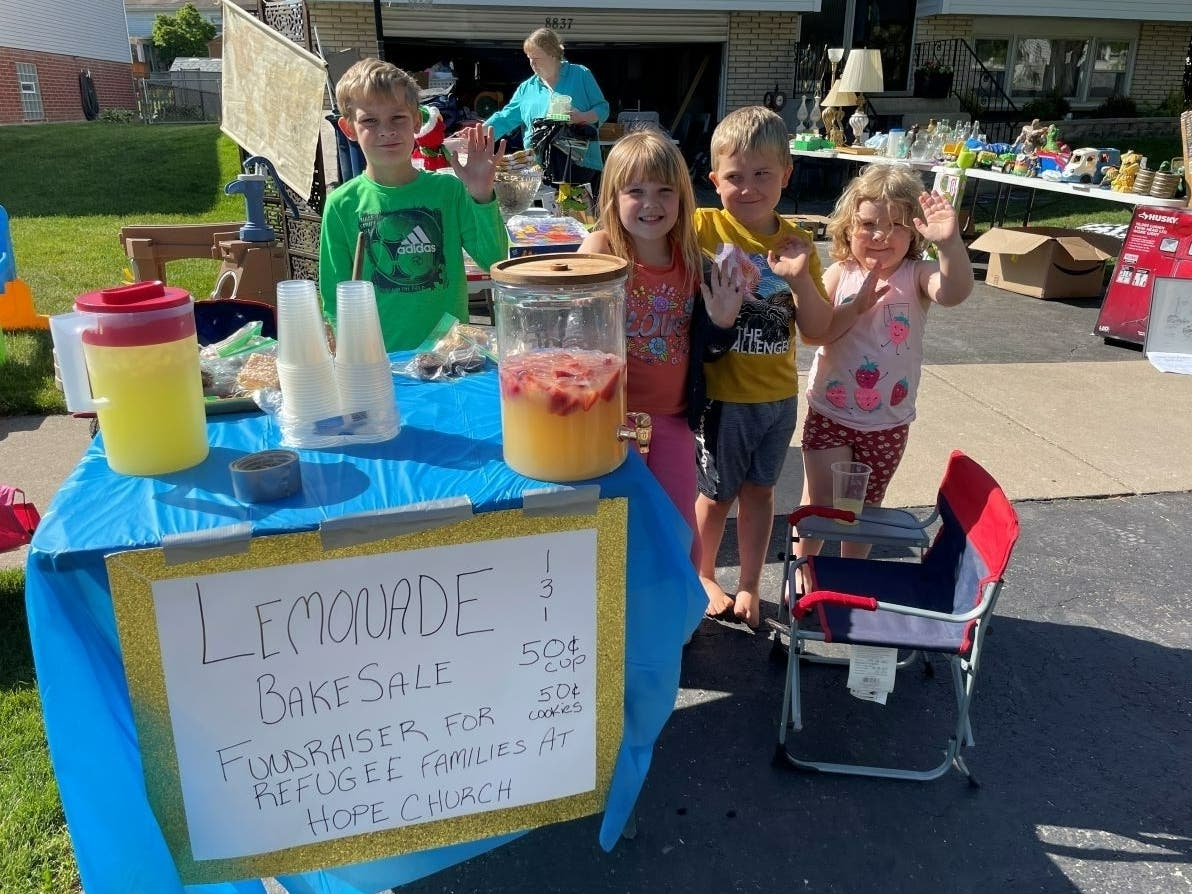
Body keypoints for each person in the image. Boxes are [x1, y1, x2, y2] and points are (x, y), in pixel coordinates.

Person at [692, 105, 834, 629]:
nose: (748, 188)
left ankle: (751, 583)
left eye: (762, 175)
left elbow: (818, 329)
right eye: (734, 177)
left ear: (786, 176)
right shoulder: (702, 226)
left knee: (761, 492)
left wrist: (798, 279)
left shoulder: (796, 243)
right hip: (723, 397)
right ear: (714, 180)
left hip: (777, 398)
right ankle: (704, 574)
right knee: (715, 493)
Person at [794, 163, 973, 576]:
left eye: (895, 225)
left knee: (864, 510)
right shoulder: (841, 272)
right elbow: (816, 331)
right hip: (832, 413)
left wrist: (949, 246)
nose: (880, 236)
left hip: (887, 422)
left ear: (913, 232)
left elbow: (954, 292)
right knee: (820, 503)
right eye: (869, 224)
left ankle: (852, 575)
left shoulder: (917, 276)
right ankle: (806, 571)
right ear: (848, 227)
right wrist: (846, 308)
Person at [579, 130, 741, 567]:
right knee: (616, 523)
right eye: (636, 191)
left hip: (672, 420)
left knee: (677, 524)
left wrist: (724, 321)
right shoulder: (603, 249)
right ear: (612, 198)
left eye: (664, 191)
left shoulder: (692, 258)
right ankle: (622, 616)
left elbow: (708, 348)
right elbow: (576, 324)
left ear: (682, 198)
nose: (651, 204)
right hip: (611, 421)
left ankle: (680, 619)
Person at [319, 58, 509, 353]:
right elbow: (334, 295)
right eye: (370, 120)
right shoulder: (341, 205)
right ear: (349, 128)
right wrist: (351, 355)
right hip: (379, 361)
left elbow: (495, 262)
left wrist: (482, 195)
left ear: (417, 121)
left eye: (398, 118)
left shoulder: (448, 191)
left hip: (448, 359)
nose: (387, 130)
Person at [484, 27, 609, 185]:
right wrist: (479, 132)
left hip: (580, 168)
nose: (532, 63)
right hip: (539, 171)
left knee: (575, 210)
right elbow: (505, 118)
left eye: (537, 58)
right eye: (529, 58)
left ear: (553, 55)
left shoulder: (580, 75)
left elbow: (603, 109)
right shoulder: (526, 88)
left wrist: (581, 117)